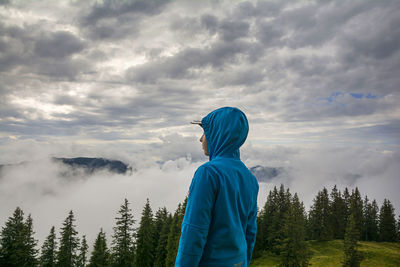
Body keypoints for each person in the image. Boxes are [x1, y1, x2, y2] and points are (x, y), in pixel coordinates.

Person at [175, 107, 259, 267]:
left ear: (218, 134)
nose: (201, 139)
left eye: (205, 132)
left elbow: (193, 232)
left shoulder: (208, 173)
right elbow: (250, 233)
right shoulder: (250, 178)